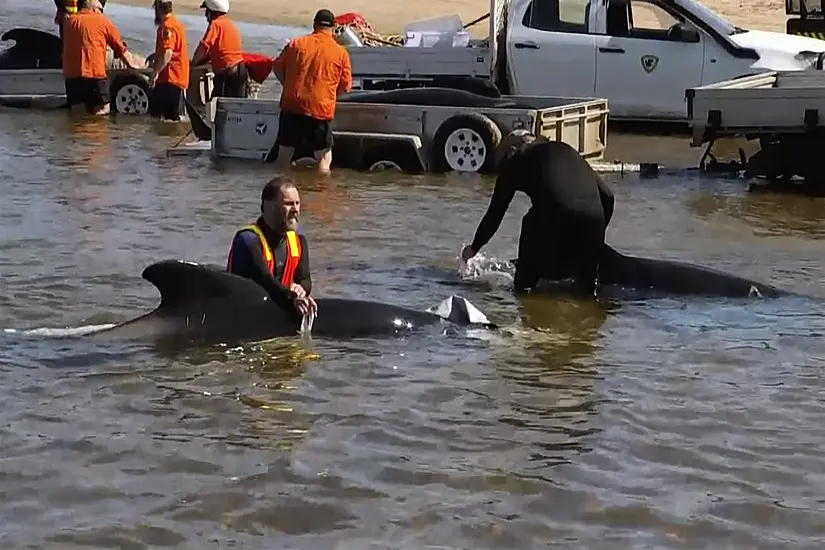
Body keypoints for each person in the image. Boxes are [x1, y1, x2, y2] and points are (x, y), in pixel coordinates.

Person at [461, 134, 615, 297]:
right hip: (594, 220)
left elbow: (495, 215)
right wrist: (595, 238)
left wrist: (474, 248)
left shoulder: (518, 159)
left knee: (524, 291)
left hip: (555, 216)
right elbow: (608, 197)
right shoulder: (566, 149)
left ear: (512, 150)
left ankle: (526, 294)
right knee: (587, 295)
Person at [270, 9, 352, 174]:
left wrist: (287, 85)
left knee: (285, 154)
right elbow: (345, 86)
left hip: (291, 104)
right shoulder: (340, 52)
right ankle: (320, 193)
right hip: (320, 108)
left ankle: (281, 187)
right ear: (334, 28)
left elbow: (276, 67)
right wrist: (330, 95)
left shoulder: (295, 43)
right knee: (323, 157)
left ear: (314, 25)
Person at [226, 176, 318, 318]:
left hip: (280, 303)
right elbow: (265, 279)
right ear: (268, 207)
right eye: (288, 204)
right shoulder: (247, 240)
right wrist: (291, 297)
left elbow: (305, 280)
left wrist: (301, 291)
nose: (295, 210)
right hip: (244, 312)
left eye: (297, 203)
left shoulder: (299, 240)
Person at [61, 0, 139, 115]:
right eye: (100, 10)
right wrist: (132, 65)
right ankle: (95, 130)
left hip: (72, 76)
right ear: (93, 7)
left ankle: (78, 132)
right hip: (94, 74)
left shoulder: (69, 22)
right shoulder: (103, 21)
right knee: (102, 110)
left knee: (77, 113)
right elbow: (119, 48)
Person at [190, 0, 247, 99]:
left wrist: (193, 63)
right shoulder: (229, 24)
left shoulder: (215, 25)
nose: (205, 16)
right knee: (237, 107)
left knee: (217, 107)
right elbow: (219, 50)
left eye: (206, 11)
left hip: (227, 73)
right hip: (240, 70)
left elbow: (204, 47)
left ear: (211, 12)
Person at [149, 0, 190, 121]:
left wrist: (155, 73)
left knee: (164, 118)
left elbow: (168, 52)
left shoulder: (167, 27)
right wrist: (155, 55)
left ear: (158, 9)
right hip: (177, 77)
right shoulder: (177, 24)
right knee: (167, 117)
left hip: (170, 77)